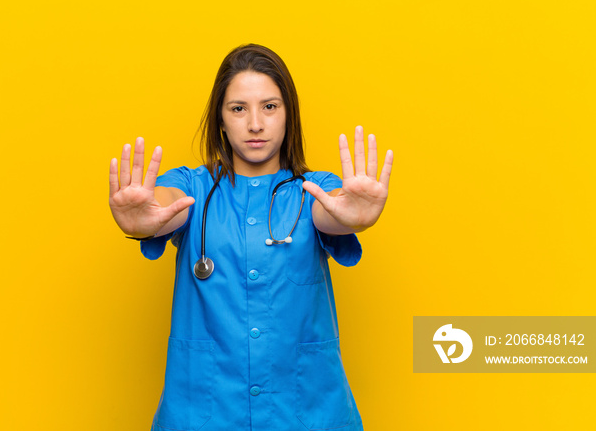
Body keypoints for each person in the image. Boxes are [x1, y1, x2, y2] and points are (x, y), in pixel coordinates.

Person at [108, 43, 393, 431]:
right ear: (221, 121)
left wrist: (354, 215)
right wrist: (144, 216)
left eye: (270, 107)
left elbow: (331, 213)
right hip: (204, 415)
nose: (255, 123)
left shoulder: (314, 191)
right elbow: (167, 205)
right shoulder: (192, 186)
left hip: (307, 412)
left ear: (288, 115)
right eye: (238, 108)